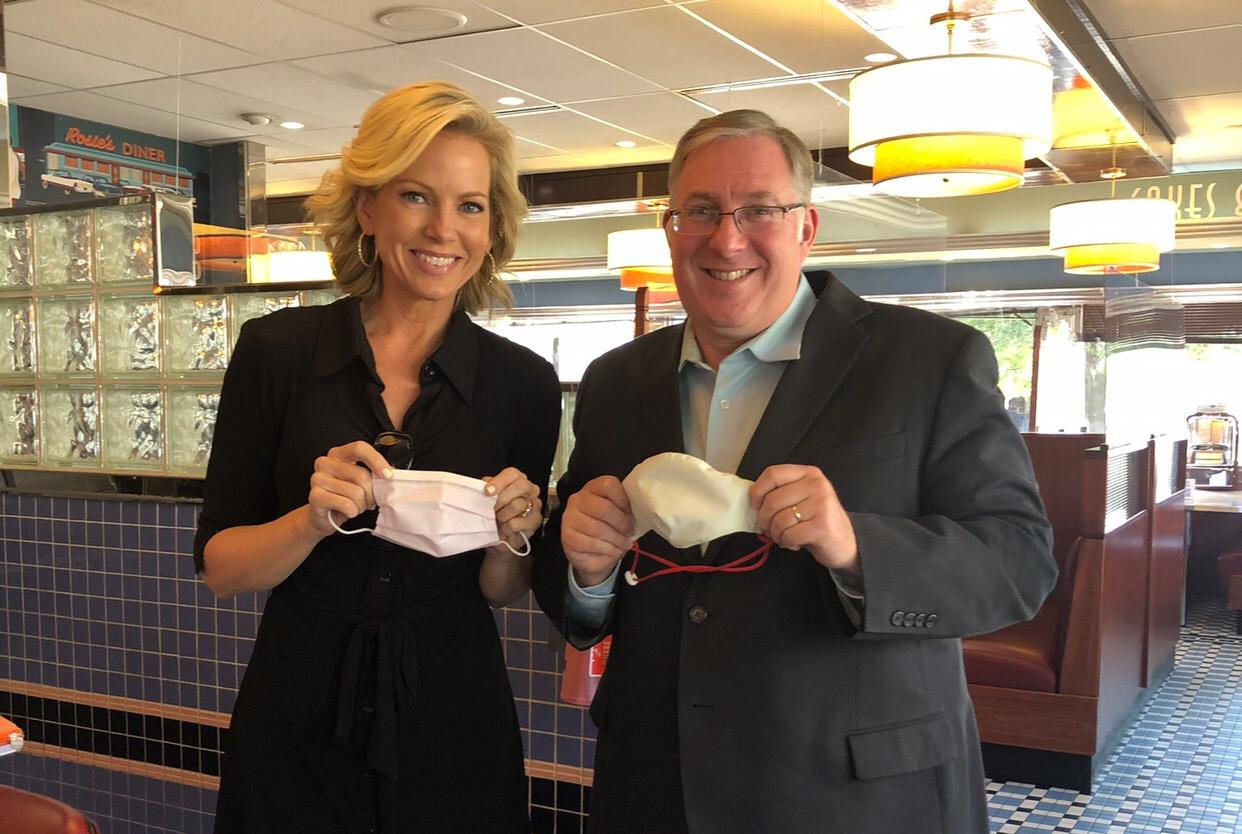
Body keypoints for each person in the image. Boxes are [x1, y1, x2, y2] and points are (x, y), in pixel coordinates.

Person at [532, 109, 1057, 834]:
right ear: (670, 228)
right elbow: (575, 582)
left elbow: (1018, 562)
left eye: (759, 210)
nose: (727, 239)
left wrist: (854, 544)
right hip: (656, 784)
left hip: (857, 796)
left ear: (806, 227)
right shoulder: (615, 380)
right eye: (701, 211)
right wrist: (587, 572)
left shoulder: (929, 360)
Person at [194, 82, 562, 834]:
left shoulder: (522, 383)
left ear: (492, 227)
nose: (443, 229)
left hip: (454, 718)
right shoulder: (278, 352)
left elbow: (502, 590)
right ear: (368, 208)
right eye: (416, 196)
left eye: (470, 205)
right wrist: (311, 519)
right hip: (298, 710)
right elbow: (222, 568)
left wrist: (512, 533)